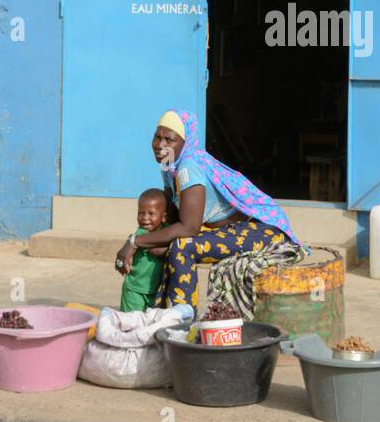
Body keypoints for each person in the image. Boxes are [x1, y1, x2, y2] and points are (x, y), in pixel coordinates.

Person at [114, 109, 307, 312]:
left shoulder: (188, 168)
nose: (161, 145)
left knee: (181, 247)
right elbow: (171, 218)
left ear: (184, 143)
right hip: (225, 230)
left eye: (169, 139)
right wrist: (151, 240)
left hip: (263, 230)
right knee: (162, 239)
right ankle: (158, 308)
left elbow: (188, 227)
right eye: (157, 137)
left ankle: (181, 317)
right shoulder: (169, 166)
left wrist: (134, 241)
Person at [116, 188, 170, 312]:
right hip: (134, 289)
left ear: (163, 217)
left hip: (154, 290)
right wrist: (176, 249)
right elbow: (156, 251)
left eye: (151, 214)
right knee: (131, 322)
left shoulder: (166, 230)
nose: (145, 218)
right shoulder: (142, 233)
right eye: (141, 213)